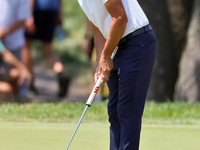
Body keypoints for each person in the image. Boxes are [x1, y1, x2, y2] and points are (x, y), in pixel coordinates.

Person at [78, 0, 157, 150]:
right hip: (115, 44)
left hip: (137, 42)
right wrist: (99, 63)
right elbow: (98, 29)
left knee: (127, 111)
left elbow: (120, 17)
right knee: (114, 111)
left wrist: (106, 56)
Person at [23, 0, 70, 97]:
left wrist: (29, 15)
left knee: (26, 45)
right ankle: (60, 73)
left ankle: (29, 81)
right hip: (52, 11)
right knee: (47, 49)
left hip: (37, 10)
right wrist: (59, 15)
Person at [0, 0, 32, 95]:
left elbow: (5, 53)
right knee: (6, 89)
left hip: (14, 43)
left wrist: (23, 70)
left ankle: (20, 93)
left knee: (16, 75)